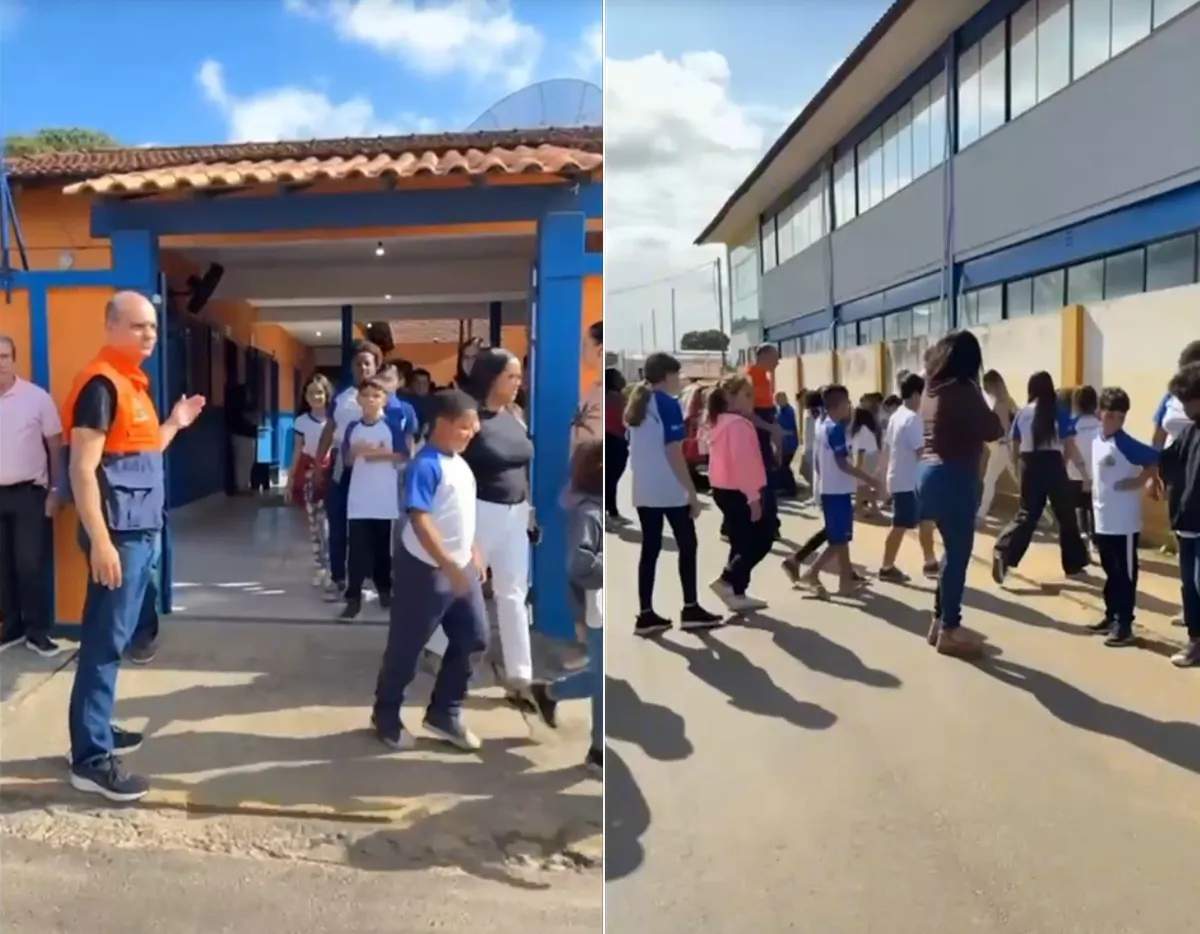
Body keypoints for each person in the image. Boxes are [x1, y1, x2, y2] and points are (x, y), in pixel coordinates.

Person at [62, 290, 206, 801]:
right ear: (112, 327)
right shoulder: (101, 385)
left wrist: (174, 424)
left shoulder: (133, 386)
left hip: (138, 532)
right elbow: (82, 469)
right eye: (138, 326)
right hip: (117, 536)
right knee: (104, 643)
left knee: (111, 637)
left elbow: (142, 452)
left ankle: (92, 729)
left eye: (152, 326)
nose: (149, 334)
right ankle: (91, 759)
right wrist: (101, 542)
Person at [371, 389, 487, 750]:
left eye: (474, 428)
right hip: (425, 570)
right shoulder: (426, 464)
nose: (471, 434)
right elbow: (420, 519)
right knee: (408, 647)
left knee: (475, 638)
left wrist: (471, 550)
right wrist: (446, 562)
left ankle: (444, 712)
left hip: (459, 567)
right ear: (442, 424)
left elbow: (457, 515)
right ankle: (386, 714)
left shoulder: (460, 463)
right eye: (464, 427)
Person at [426, 349, 536, 704]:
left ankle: (521, 674)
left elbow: (521, 467)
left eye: (519, 377)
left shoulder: (515, 415)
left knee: (513, 592)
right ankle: (435, 646)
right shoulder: (470, 416)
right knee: (463, 583)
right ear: (492, 377)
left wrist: (529, 508)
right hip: (478, 511)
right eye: (511, 377)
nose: (518, 383)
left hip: (516, 512)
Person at [916, 330, 1004, 657]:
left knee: (950, 554)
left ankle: (939, 622)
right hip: (954, 476)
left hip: (927, 475)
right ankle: (950, 628)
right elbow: (993, 429)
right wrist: (1001, 399)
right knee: (957, 555)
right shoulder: (965, 389)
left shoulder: (931, 387)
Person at [624, 352, 722, 635]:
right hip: (668, 489)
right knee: (688, 545)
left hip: (643, 490)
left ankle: (645, 614)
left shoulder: (638, 406)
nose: (679, 381)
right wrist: (691, 493)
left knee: (650, 550)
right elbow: (673, 451)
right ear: (667, 376)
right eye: (677, 375)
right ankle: (691, 607)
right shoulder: (667, 404)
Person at [529, 439, 604, 777]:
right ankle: (598, 750)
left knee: (599, 675)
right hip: (596, 606)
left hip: (601, 604)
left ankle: (550, 691)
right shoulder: (589, 512)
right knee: (602, 680)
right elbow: (579, 564)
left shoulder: (600, 508)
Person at [993, 371, 1091, 585]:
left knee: (1027, 515)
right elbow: (1070, 445)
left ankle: (1004, 552)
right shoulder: (1059, 411)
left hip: (1029, 465)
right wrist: (1067, 467)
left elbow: (1015, 446)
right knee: (1066, 515)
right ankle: (1074, 564)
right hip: (1053, 463)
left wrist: (1018, 471)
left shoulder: (1022, 413)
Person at [0, 334, 64, 657]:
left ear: (14, 360)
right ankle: (10, 629)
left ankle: (37, 632)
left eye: (4, 357)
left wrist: (55, 490)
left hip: (29, 494)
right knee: (2, 566)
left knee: (29, 564)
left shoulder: (36, 398)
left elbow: (55, 446)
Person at [1082, 388, 1160, 648]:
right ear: (1099, 413)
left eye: (1120, 416)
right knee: (1110, 572)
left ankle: (1124, 624)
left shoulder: (1124, 443)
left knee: (1125, 574)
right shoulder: (1096, 440)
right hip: (1102, 518)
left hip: (1124, 524)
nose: (1115, 421)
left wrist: (1140, 480)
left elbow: (1154, 459)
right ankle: (1111, 615)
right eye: (1110, 415)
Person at [799, 385, 880, 596]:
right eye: (848, 403)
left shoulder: (824, 425)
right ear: (841, 404)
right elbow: (843, 464)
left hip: (834, 490)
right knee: (838, 540)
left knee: (840, 540)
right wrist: (869, 479)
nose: (850, 407)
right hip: (835, 492)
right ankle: (813, 573)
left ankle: (844, 581)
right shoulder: (833, 430)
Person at [315, 341, 382, 599]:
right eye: (358, 363)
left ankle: (365, 579)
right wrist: (319, 462)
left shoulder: (384, 399)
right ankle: (337, 578)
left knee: (367, 528)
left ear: (376, 367)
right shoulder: (341, 399)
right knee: (338, 524)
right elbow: (329, 430)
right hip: (342, 470)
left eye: (368, 363)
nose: (363, 368)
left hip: (373, 473)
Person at [706, 374, 772, 612]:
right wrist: (753, 497)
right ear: (729, 397)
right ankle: (727, 580)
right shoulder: (739, 426)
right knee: (762, 539)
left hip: (724, 489)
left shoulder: (719, 422)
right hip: (740, 491)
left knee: (741, 541)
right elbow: (743, 463)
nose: (751, 399)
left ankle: (737, 593)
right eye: (746, 394)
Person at [340, 379, 403, 620]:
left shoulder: (390, 426)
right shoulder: (352, 428)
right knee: (355, 550)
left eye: (376, 396)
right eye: (365, 395)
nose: (370, 400)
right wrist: (355, 452)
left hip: (383, 498)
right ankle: (353, 597)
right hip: (359, 498)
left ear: (384, 400)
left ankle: (384, 589)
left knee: (381, 549)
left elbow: (401, 455)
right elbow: (347, 461)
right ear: (358, 400)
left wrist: (374, 454)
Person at [1152, 340, 1200, 629]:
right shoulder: (1171, 399)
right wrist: (1153, 472)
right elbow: (1157, 435)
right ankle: (1191, 610)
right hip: (1180, 482)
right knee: (1187, 554)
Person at [878, 372, 937, 582]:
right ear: (914, 394)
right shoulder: (912, 419)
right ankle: (886, 566)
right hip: (908, 481)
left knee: (926, 520)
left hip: (904, 479)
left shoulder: (897, 415)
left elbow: (886, 448)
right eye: (922, 395)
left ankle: (930, 562)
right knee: (900, 524)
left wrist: (882, 476)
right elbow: (921, 452)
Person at [289, 375, 333, 587]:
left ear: (327, 394)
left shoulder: (335, 421)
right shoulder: (301, 421)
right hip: (307, 473)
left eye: (320, 392)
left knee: (329, 523)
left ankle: (334, 566)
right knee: (316, 524)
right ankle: (320, 566)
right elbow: (297, 450)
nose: (316, 396)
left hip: (330, 471)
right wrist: (290, 481)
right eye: (311, 393)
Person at [744, 344, 786, 535]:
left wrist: (775, 435)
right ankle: (769, 525)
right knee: (762, 482)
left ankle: (769, 523)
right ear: (765, 356)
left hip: (765, 435)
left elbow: (768, 411)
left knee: (766, 481)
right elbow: (748, 412)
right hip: (754, 436)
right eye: (775, 357)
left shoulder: (765, 379)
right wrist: (770, 428)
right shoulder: (749, 378)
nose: (778, 361)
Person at [976, 370, 1019, 521]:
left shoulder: (1000, 403)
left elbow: (1006, 429)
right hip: (1007, 447)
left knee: (990, 479)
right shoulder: (1009, 400)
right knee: (1017, 480)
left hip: (1004, 447)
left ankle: (982, 513)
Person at [1069, 385, 1102, 547]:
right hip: (1097, 476)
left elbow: (1067, 449)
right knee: (1094, 509)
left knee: (1077, 508)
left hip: (1074, 475)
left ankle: (1082, 537)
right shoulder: (1102, 426)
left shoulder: (1070, 425)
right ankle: (1096, 542)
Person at [572, 321, 605, 450]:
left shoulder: (602, 392)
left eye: (586, 345)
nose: (582, 352)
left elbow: (596, 437)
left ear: (600, 349)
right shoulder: (595, 388)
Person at [604, 367, 629, 523]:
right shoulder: (617, 398)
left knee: (609, 478)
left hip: (608, 438)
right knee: (612, 478)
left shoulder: (605, 396)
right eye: (619, 376)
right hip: (616, 439)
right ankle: (611, 512)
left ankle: (611, 510)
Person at [225, 378, 258, 495]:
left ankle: (245, 484)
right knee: (242, 461)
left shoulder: (245, 406)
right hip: (242, 436)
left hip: (247, 435)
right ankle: (241, 486)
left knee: (248, 461)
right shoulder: (238, 408)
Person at [850, 406, 881, 516]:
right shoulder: (866, 430)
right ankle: (865, 507)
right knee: (863, 485)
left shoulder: (862, 431)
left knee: (861, 485)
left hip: (867, 459)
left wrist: (856, 467)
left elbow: (861, 452)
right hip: (871, 458)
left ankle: (866, 508)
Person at [798, 389, 824, 504]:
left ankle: (818, 496)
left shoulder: (813, 412)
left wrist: (807, 448)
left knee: (816, 473)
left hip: (813, 446)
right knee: (814, 472)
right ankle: (817, 495)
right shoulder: (815, 411)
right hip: (812, 445)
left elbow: (811, 431)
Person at [774, 390, 800, 498]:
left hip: (789, 443)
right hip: (783, 443)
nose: (777, 402)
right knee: (782, 466)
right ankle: (785, 488)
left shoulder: (788, 411)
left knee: (784, 466)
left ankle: (791, 490)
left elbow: (788, 430)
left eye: (778, 399)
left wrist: (778, 430)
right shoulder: (781, 410)